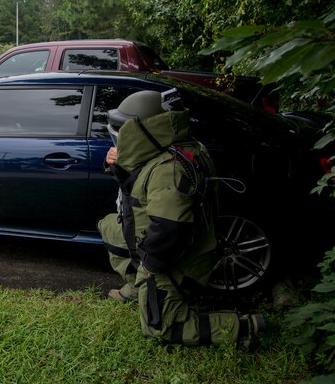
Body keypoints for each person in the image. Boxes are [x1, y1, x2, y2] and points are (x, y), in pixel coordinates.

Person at [97, 89, 264, 348]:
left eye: (122, 128)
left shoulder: (169, 168)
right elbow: (137, 193)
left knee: (161, 329)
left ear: (144, 128)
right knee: (110, 227)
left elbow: (170, 229)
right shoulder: (170, 148)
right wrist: (119, 166)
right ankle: (137, 288)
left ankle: (242, 327)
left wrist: (149, 269)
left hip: (177, 260)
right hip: (159, 242)